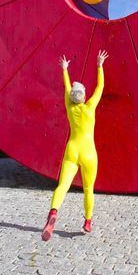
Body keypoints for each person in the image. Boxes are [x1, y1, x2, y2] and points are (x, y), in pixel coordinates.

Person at [41, 50, 109, 241]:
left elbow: (66, 87)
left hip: (72, 149)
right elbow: (101, 86)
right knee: (89, 189)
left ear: (71, 97)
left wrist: (64, 69)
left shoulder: (69, 106)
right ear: (84, 95)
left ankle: (53, 212)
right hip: (89, 153)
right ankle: (87, 221)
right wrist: (99, 65)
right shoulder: (90, 107)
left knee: (63, 185)